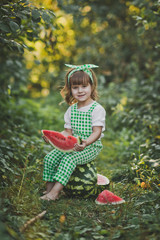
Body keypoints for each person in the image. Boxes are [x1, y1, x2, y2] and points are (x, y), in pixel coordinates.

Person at [40, 64, 106, 201]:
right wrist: (52, 138)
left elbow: (97, 132)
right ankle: (48, 191)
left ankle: (55, 193)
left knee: (68, 159)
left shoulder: (97, 109)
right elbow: (67, 132)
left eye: (84, 86)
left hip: (91, 147)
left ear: (91, 87)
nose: (80, 91)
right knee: (49, 158)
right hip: (74, 145)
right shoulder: (71, 110)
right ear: (70, 90)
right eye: (75, 87)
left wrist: (86, 143)